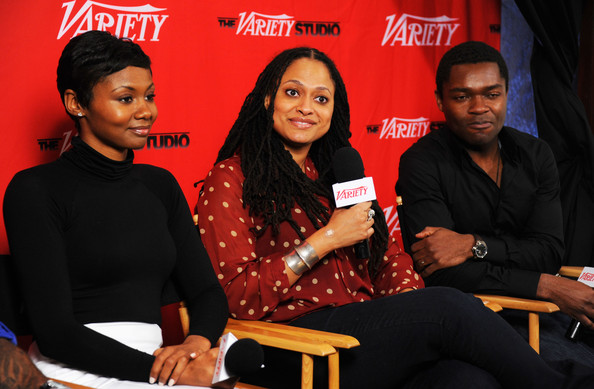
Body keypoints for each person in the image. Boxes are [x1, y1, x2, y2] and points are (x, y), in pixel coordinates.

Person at [196, 46, 590, 389]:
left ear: (334, 110)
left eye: (321, 98)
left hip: (364, 339)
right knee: (449, 309)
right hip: (290, 345)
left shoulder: (339, 172)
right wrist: (325, 240)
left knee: (468, 379)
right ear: (268, 99)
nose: (306, 107)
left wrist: (409, 311)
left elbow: (388, 259)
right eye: (293, 93)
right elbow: (236, 296)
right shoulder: (231, 178)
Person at [3, 31, 229, 388]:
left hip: (155, 370)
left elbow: (207, 293)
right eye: (126, 98)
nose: (146, 111)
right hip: (71, 370)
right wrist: (168, 373)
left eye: (150, 96)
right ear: (76, 103)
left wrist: (193, 345)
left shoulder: (160, 185)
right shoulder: (34, 189)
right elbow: (56, 333)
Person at [396, 41, 594, 366]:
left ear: (506, 94)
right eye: (462, 96)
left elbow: (548, 253)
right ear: (440, 101)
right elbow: (442, 273)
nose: (480, 107)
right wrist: (548, 285)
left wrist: (473, 245)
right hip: (469, 317)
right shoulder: (421, 162)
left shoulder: (536, 154)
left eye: (492, 94)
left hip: (541, 311)